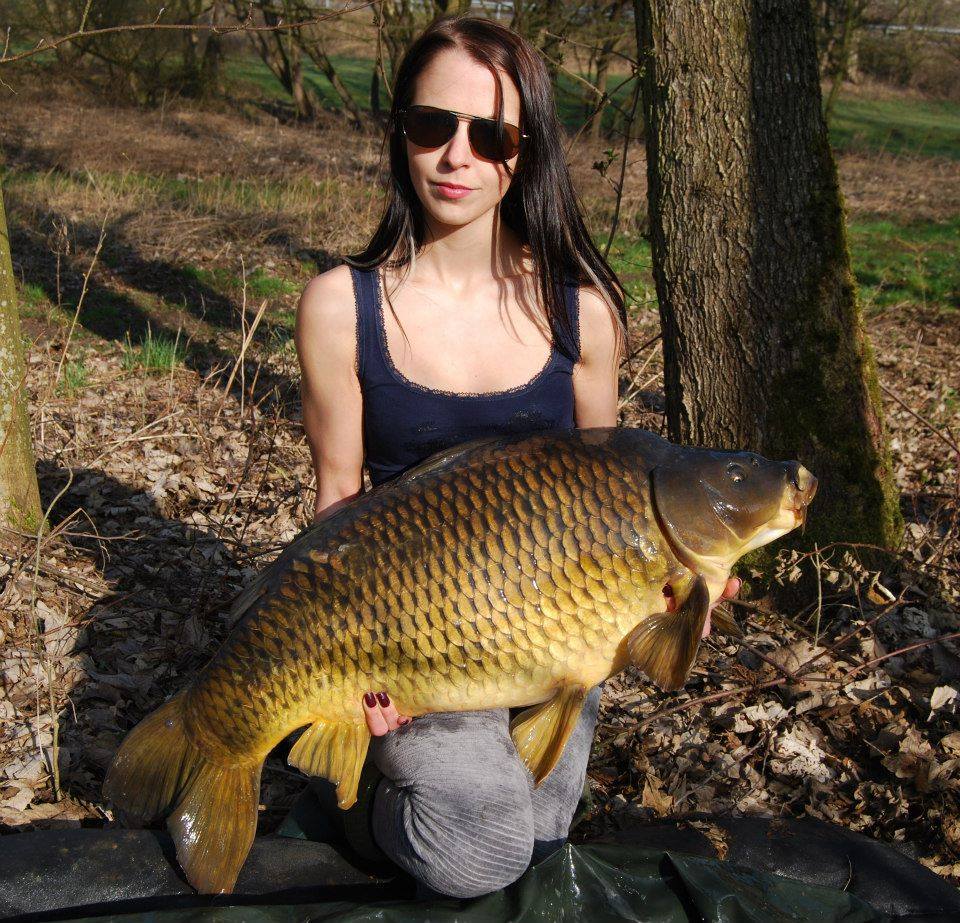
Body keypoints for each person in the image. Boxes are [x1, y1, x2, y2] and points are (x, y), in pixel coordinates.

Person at [294, 14, 739, 899]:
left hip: (552, 637)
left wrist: (682, 583)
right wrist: (349, 661)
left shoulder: (585, 312)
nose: (455, 156)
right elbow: (337, 499)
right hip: (410, 635)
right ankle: (360, 799)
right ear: (401, 133)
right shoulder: (340, 305)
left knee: (536, 842)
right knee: (481, 852)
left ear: (524, 151)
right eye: (432, 125)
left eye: (489, 135)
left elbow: (618, 492)